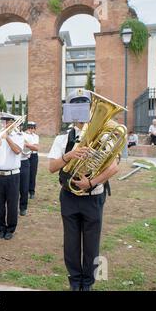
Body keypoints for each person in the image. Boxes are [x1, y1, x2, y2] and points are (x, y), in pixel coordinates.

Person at [48, 89, 120, 291]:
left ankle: (87, 282)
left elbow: (114, 167)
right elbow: (52, 168)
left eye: (84, 105)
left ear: (90, 108)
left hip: (93, 197)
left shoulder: (104, 136)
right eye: (75, 106)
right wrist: (69, 156)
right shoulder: (62, 139)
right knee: (70, 243)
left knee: (91, 244)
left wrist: (91, 182)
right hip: (69, 196)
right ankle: (75, 281)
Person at [0, 112, 24, 240]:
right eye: (3, 122)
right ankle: (1, 228)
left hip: (13, 175)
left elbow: (17, 151)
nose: (4, 124)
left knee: (12, 203)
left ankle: (11, 228)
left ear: (12, 123)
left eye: (7, 122)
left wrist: (7, 138)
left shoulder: (18, 135)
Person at [19, 123, 31, 216]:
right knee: (13, 188)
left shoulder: (25, 136)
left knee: (24, 187)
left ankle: (23, 207)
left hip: (23, 161)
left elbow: (30, 149)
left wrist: (25, 146)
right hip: (12, 164)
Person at [26, 122, 40, 199]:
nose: (30, 129)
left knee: (32, 174)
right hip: (26, 156)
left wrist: (27, 145)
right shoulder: (24, 135)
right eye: (29, 128)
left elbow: (36, 147)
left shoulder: (36, 136)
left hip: (34, 155)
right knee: (26, 175)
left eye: (32, 128)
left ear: (35, 129)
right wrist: (31, 146)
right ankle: (25, 191)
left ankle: (32, 191)